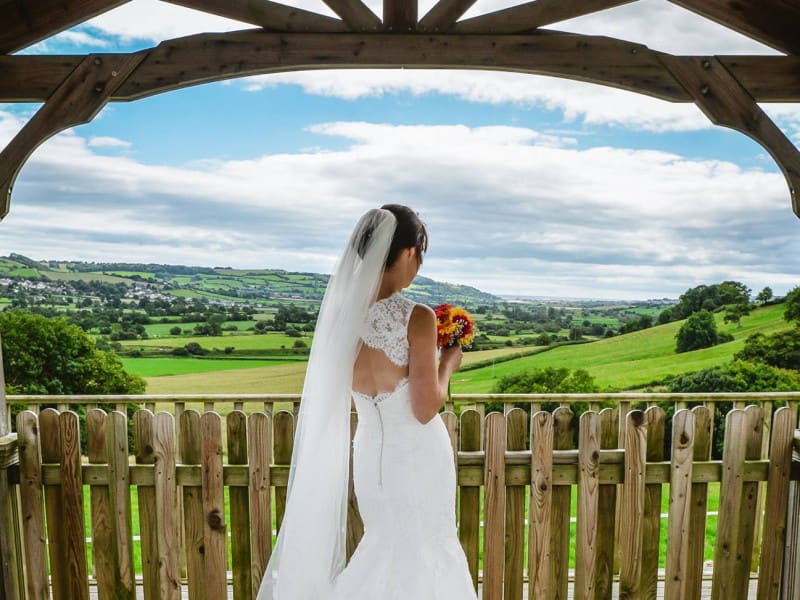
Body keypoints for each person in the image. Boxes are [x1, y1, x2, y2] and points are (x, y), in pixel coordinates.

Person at [257, 205, 477, 600]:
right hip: (417, 456)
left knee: (383, 546)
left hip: (371, 456)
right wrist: (449, 362)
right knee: (426, 547)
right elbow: (426, 408)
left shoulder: (341, 318)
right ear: (409, 252)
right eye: (420, 254)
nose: (420, 265)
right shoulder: (417, 317)